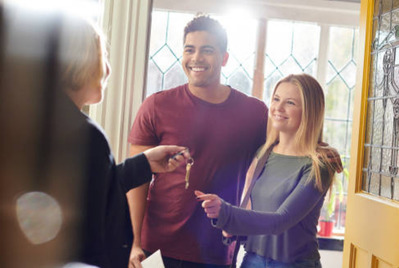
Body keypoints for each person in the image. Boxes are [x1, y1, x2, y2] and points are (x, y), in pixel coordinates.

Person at [1, 6, 189, 267]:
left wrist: (144, 163)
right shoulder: (83, 135)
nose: (109, 70)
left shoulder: (37, 122)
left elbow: (87, 188)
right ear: (79, 60)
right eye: (103, 56)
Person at [127, 15, 268, 268]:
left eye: (207, 50)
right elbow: (136, 179)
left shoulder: (255, 113)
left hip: (215, 253)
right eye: (189, 50)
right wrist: (134, 242)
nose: (196, 58)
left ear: (224, 58)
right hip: (155, 249)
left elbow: (276, 163)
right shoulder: (156, 106)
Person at [196, 73, 336, 268]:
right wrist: (230, 225)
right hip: (252, 260)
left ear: (309, 111)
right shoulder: (264, 153)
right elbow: (252, 210)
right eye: (276, 99)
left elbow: (280, 221)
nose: (278, 108)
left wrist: (227, 213)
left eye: (290, 103)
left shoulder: (318, 165)